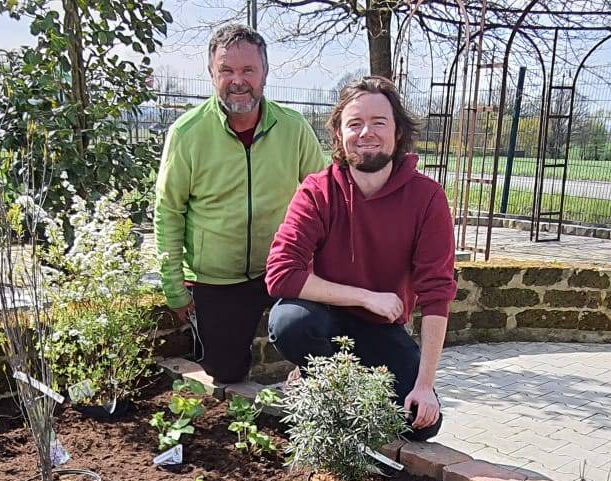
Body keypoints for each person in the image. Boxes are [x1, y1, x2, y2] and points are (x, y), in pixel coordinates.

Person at [264, 76, 455, 441]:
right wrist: (366, 296)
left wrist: (426, 385)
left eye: (379, 122)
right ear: (339, 134)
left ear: (398, 132)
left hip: (380, 329)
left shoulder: (427, 198)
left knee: (421, 425)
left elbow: (437, 294)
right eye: (354, 123)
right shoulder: (317, 191)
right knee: (288, 321)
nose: (366, 132)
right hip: (322, 318)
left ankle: (339, 387)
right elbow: (280, 274)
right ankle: (318, 381)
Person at [153, 24, 326, 386]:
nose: (238, 80)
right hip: (218, 277)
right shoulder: (187, 134)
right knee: (226, 373)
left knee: (314, 332)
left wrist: (324, 265)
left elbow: (325, 198)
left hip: (282, 268)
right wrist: (173, 285)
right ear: (211, 74)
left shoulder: (293, 128)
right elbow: (169, 210)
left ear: (264, 73)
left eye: (248, 70)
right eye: (227, 70)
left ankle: (305, 383)